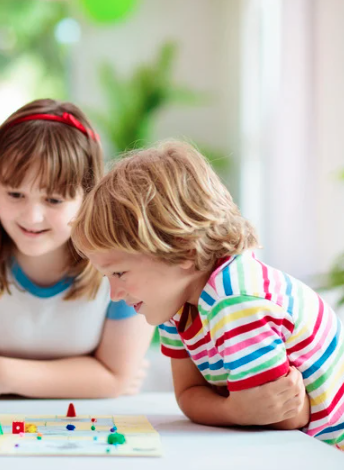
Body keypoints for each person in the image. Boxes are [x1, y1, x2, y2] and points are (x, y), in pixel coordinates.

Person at [71, 140, 344, 449]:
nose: (115, 294)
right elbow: (189, 395)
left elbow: (282, 418)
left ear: (183, 250)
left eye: (119, 274)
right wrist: (235, 410)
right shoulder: (175, 303)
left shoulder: (235, 298)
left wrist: (239, 411)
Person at [0, 99, 154, 399]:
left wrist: (3, 374)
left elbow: (116, 378)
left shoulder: (123, 262)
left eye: (53, 200)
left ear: (88, 196)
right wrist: (93, 378)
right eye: (15, 194)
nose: (32, 217)